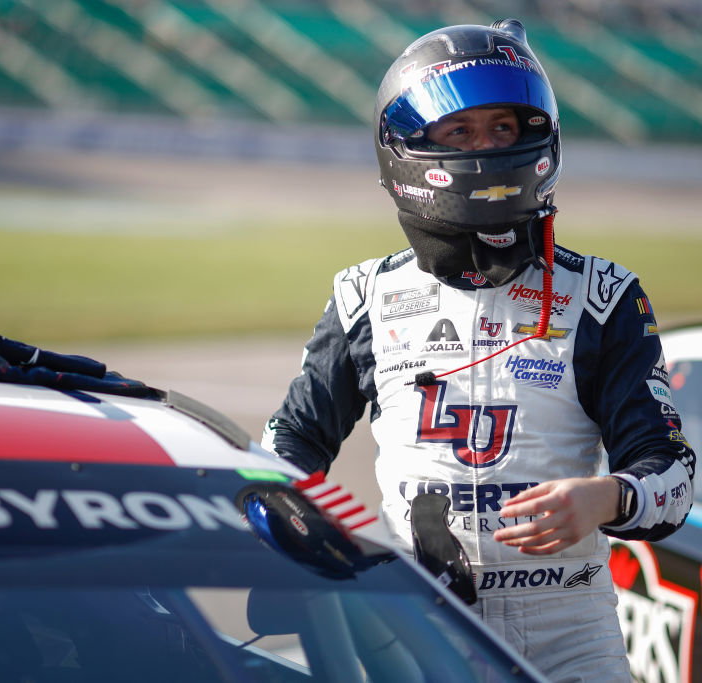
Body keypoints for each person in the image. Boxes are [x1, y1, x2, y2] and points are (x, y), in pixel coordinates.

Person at [261, 18, 695, 682]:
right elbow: (288, 445)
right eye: (459, 132)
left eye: (503, 128)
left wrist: (605, 497)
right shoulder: (364, 297)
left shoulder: (603, 295)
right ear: (405, 148)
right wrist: (296, 539)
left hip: (569, 633)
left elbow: (672, 476)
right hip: (416, 633)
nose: (487, 150)